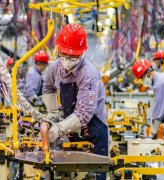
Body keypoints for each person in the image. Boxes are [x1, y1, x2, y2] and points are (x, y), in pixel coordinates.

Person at [42, 23, 108, 180]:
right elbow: (47, 87)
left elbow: (83, 114)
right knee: (72, 173)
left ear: (81, 53)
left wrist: (59, 129)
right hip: (70, 127)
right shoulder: (55, 68)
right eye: (63, 54)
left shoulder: (89, 74)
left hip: (94, 130)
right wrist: (52, 112)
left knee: (95, 174)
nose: (66, 59)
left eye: (72, 56)